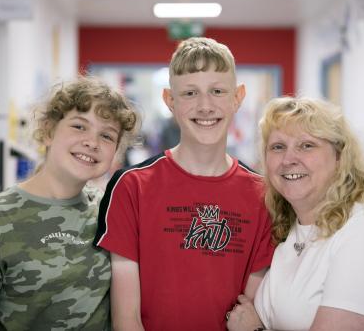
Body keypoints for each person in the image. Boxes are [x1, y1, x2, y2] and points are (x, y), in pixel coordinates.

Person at [94, 37, 275, 331]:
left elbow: (247, 310)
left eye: (217, 91)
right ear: (170, 100)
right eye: (190, 93)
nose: (205, 106)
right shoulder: (132, 187)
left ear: (237, 97)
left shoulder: (263, 196)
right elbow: (127, 318)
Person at [0, 76, 139, 330]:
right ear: (49, 131)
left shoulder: (110, 212)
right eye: (79, 127)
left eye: (106, 136)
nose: (92, 142)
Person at [226, 97, 364, 331]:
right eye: (278, 147)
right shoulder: (286, 229)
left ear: (339, 157)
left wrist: (254, 330)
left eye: (306, 145)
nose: (288, 159)